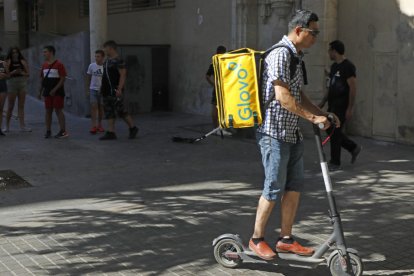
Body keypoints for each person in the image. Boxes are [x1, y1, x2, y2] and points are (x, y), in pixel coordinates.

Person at [250, 10, 340, 261]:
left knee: (294, 187)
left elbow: (298, 95)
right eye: (314, 32)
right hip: (273, 133)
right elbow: (283, 97)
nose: (316, 37)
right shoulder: (280, 53)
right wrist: (313, 119)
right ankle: (256, 239)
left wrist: (324, 113)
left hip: (292, 134)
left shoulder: (296, 56)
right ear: (299, 30)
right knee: (273, 187)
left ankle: (286, 239)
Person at [319, 40, 361, 170]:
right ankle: (353, 147)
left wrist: (350, 108)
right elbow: (330, 87)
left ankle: (335, 162)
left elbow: (353, 88)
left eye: (329, 50)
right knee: (329, 129)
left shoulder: (348, 67)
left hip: (342, 106)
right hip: (332, 106)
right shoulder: (334, 67)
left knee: (335, 133)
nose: (328, 53)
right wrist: (323, 102)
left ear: (335, 51)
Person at [99, 40, 138, 140]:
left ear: (111, 48)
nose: (104, 50)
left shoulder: (119, 60)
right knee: (109, 111)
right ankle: (111, 132)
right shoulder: (107, 60)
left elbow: (123, 75)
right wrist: (101, 88)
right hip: (106, 90)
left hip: (115, 90)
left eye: (105, 48)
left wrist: (119, 89)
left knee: (121, 110)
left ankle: (133, 128)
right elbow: (105, 76)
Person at [38, 45, 68, 139]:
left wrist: (55, 89)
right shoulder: (44, 65)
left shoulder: (59, 64)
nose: (44, 54)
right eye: (43, 52)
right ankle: (48, 131)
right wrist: (40, 91)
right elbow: (42, 79)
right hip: (47, 91)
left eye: (45, 52)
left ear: (51, 52)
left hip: (58, 91)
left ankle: (63, 131)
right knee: (48, 111)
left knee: (58, 110)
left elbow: (63, 78)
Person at [205, 45, 232, 136]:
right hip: (222, 89)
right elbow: (207, 76)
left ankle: (217, 128)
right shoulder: (223, 64)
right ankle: (218, 129)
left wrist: (213, 84)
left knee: (217, 108)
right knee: (218, 108)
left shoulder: (214, 63)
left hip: (219, 88)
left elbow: (207, 76)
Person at [4, 47, 31, 132]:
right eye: (13, 53)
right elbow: (6, 75)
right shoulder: (8, 62)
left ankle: (22, 126)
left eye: (16, 52)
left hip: (22, 83)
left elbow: (28, 74)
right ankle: (7, 126)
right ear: (11, 54)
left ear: (19, 53)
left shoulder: (22, 61)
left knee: (21, 106)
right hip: (12, 83)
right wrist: (13, 72)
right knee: (10, 106)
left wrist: (21, 72)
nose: (15, 54)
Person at [86, 49, 105, 134]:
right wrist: (87, 89)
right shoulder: (91, 66)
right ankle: (93, 126)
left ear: (102, 57)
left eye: (98, 56)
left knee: (101, 108)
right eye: (95, 56)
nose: (96, 58)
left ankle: (100, 125)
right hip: (93, 89)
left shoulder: (105, 67)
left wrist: (103, 88)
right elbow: (88, 77)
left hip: (102, 90)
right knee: (94, 107)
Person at [0, 47, 8, 136]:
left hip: (2, 87)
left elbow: (9, 75)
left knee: (1, 108)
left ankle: (0, 128)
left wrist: (4, 75)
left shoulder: (3, 64)